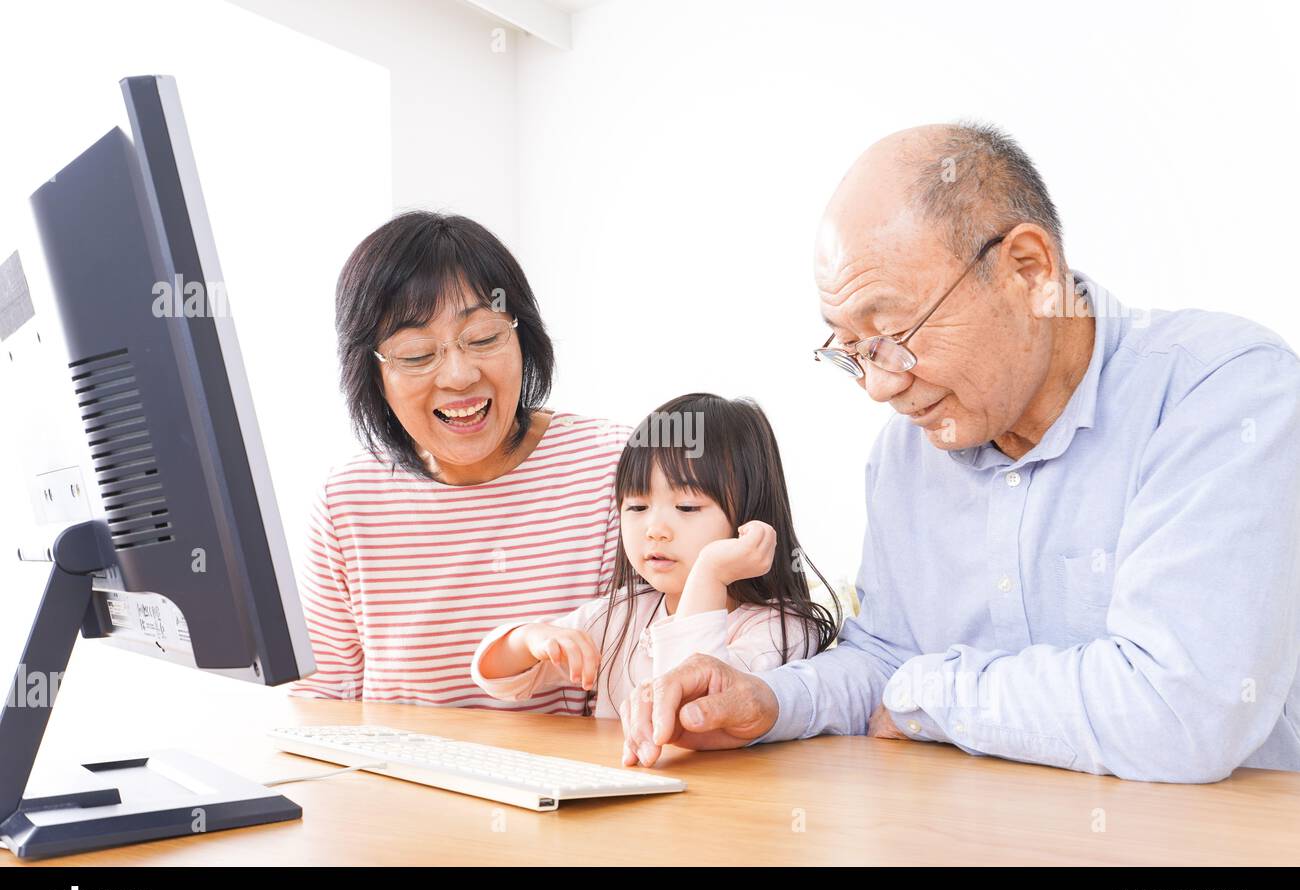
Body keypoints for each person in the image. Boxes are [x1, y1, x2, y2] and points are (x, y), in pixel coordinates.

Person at [621, 122, 1300, 783]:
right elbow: (884, 655)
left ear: (1028, 271)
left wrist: (925, 694)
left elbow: (1179, 711)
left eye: (892, 334)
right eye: (850, 352)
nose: (881, 386)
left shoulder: (1221, 390)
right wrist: (768, 701)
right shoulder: (906, 453)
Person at [289, 212, 629, 711]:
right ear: (372, 375)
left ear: (523, 338)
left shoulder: (611, 468)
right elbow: (323, 698)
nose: (459, 375)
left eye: (485, 338)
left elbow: (646, 679)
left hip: (565, 785)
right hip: (399, 784)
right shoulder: (349, 500)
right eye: (416, 353)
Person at [470, 393, 838, 724]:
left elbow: (685, 714)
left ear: (749, 515)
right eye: (637, 506)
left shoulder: (780, 629)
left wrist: (710, 574)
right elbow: (496, 676)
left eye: (687, 506)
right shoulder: (622, 616)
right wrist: (530, 639)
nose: (655, 529)